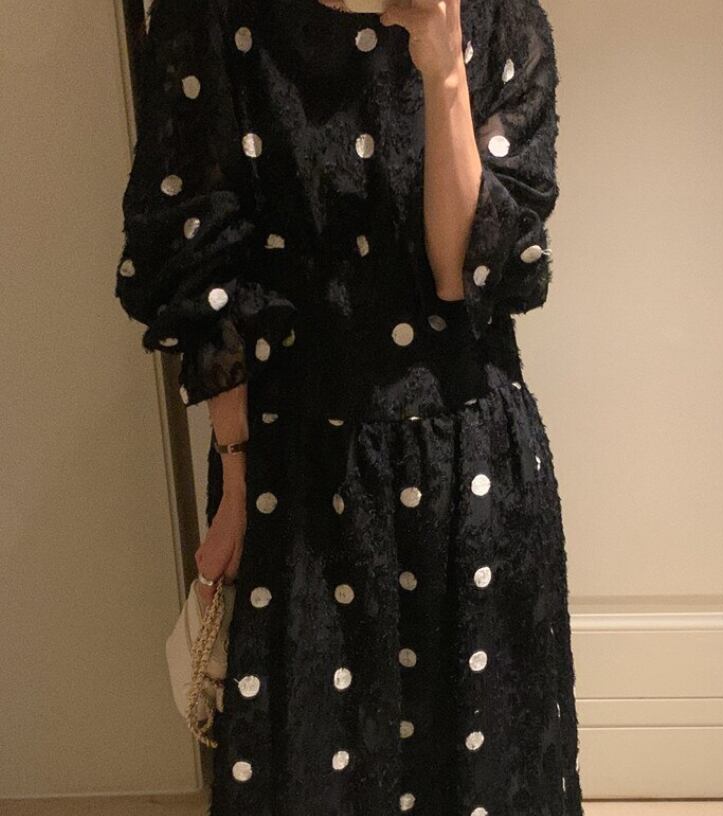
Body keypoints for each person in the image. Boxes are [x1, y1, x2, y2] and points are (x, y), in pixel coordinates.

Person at [115, 0, 582, 812]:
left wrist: (444, 71)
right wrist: (234, 479)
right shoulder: (207, 18)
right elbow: (202, 265)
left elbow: (462, 275)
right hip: (292, 469)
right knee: (312, 772)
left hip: (469, 469)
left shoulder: (500, 21)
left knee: (475, 778)